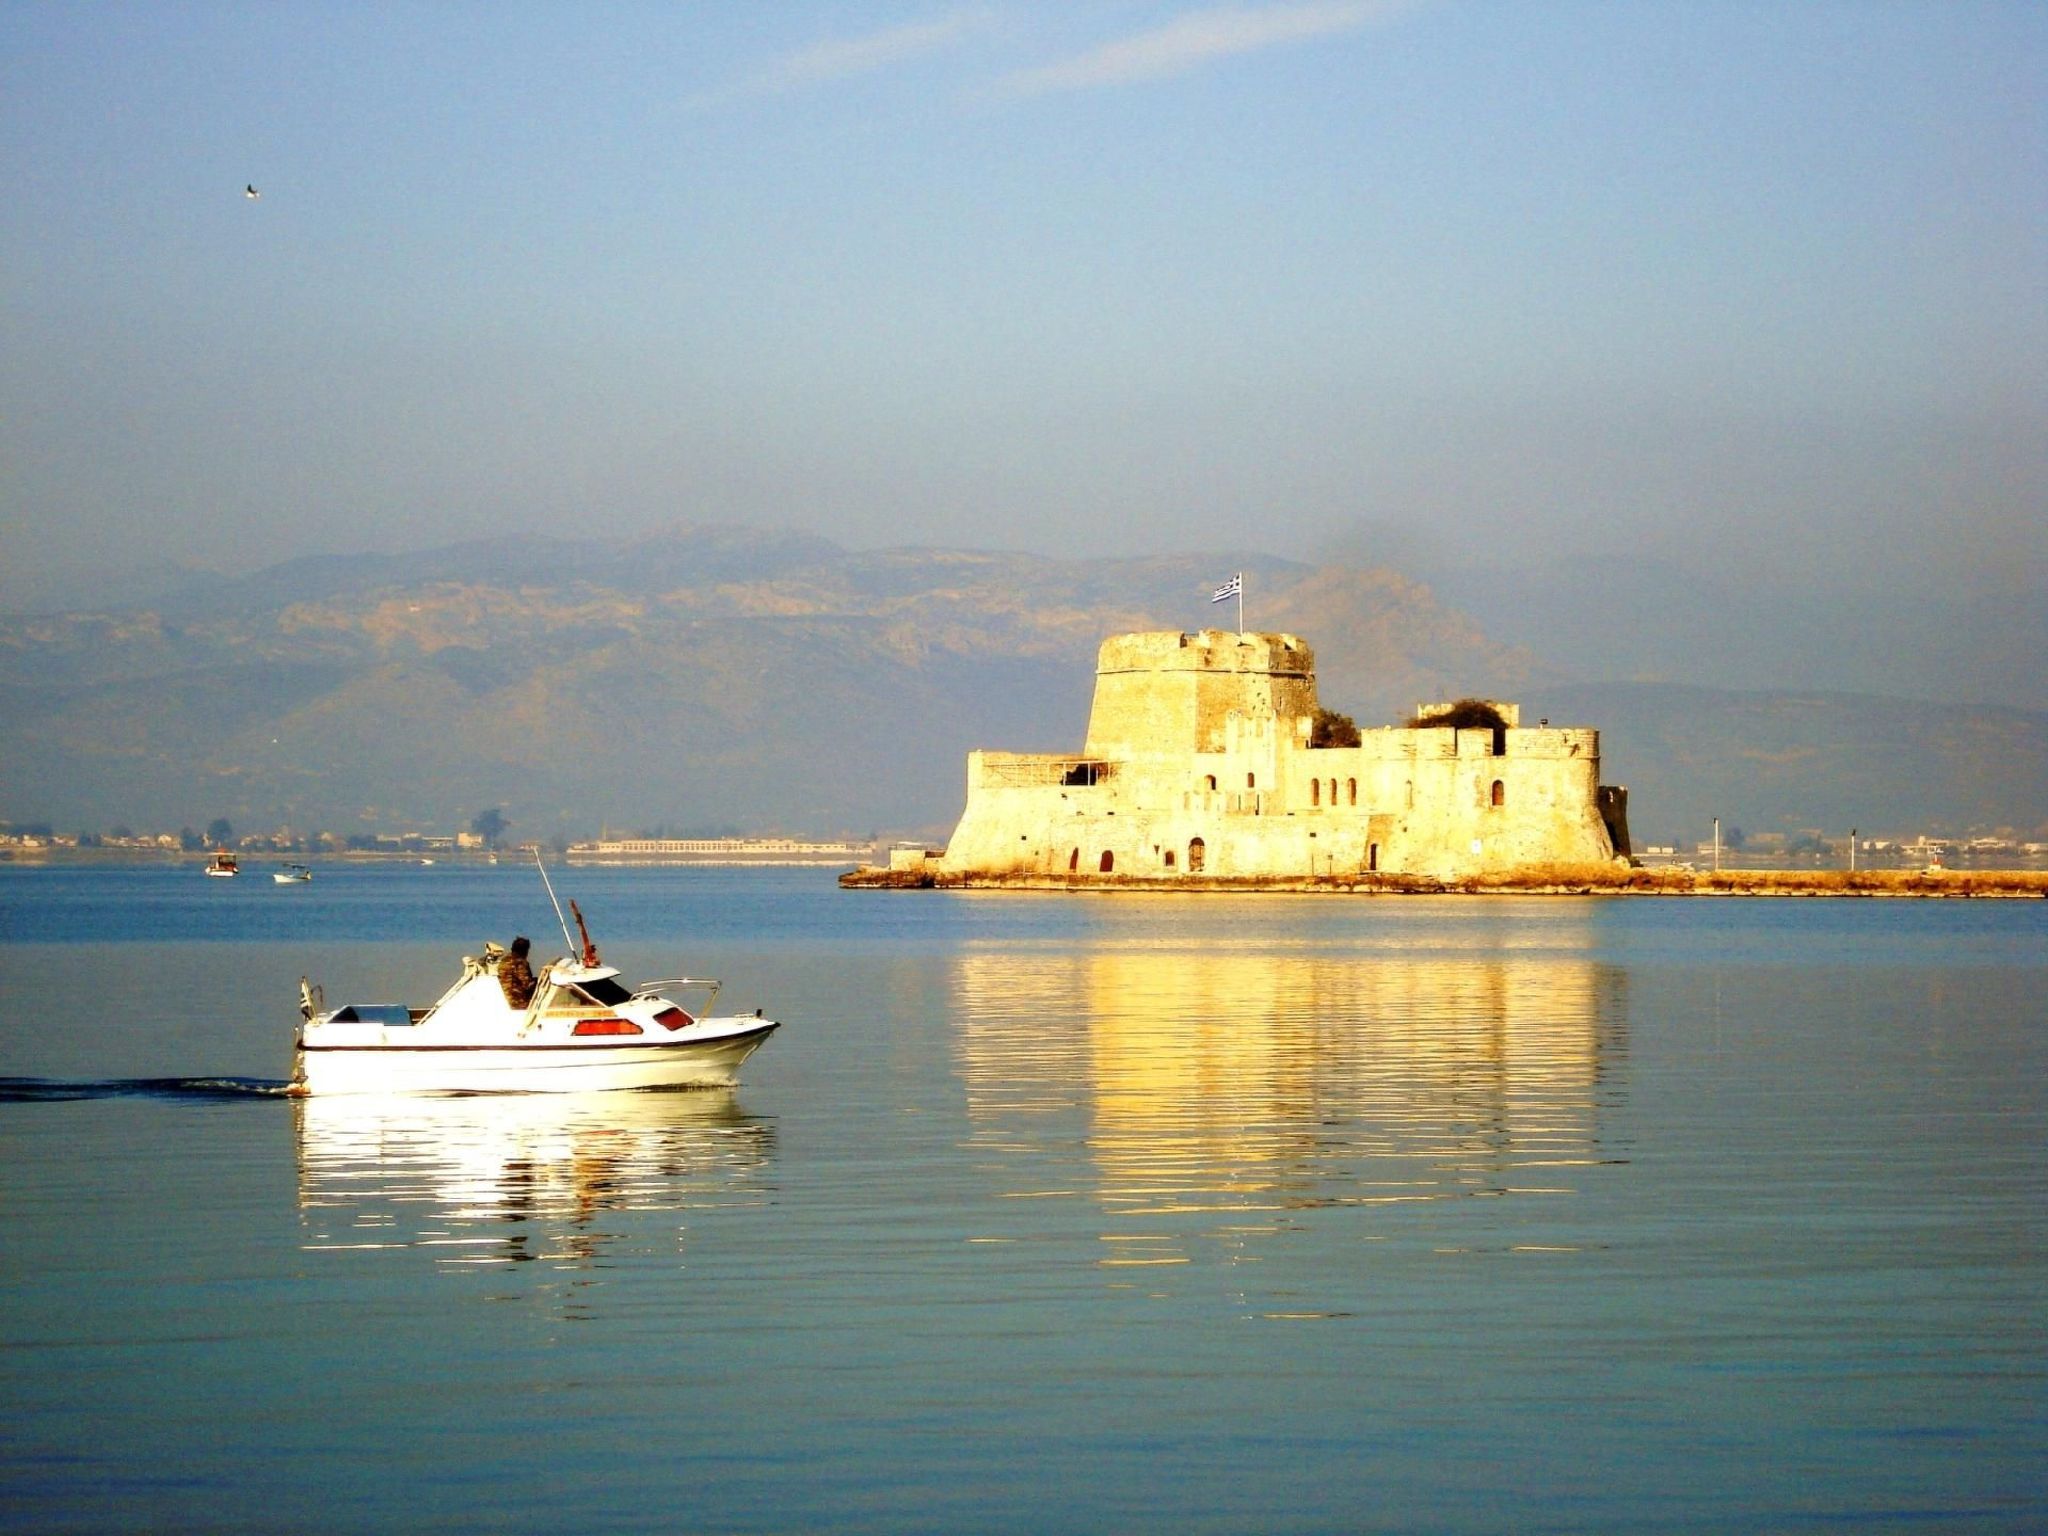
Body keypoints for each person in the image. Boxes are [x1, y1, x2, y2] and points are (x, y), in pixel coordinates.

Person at [499, 935, 537, 1008]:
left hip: (504, 1000)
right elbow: (527, 984)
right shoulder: (520, 962)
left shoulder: (504, 961)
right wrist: (539, 981)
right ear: (524, 950)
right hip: (517, 1002)